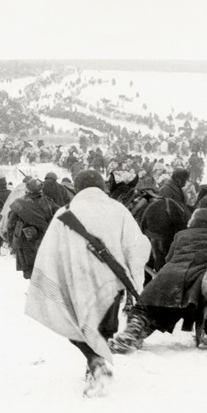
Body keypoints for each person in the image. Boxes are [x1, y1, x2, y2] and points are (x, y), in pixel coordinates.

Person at [25, 170, 150, 397]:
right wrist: (135, 280)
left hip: (77, 279)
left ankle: (94, 362)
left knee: (73, 323)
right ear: (102, 186)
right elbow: (137, 246)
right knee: (105, 326)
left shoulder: (66, 212)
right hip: (112, 281)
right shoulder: (119, 210)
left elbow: (51, 251)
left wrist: (53, 278)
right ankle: (96, 364)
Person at [109, 208, 207, 353]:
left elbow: (168, 257)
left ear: (193, 221)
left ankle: (134, 331)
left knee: (148, 308)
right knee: (181, 306)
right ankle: (135, 333)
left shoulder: (181, 236)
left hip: (167, 276)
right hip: (198, 281)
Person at [6, 178, 59, 279]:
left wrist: (11, 243)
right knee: (45, 266)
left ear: (28, 189)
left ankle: (33, 289)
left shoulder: (19, 203)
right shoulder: (49, 202)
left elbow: (10, 225)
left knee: (30, 267)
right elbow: (59, 216)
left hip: (26, 241)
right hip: (46, 239)